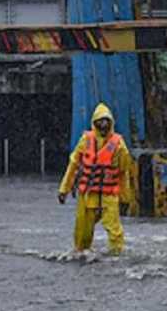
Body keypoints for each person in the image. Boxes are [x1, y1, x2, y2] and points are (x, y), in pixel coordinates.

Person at [57, 103, 133, 256]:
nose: (103, 126)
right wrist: (64, 189)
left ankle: (116, 256)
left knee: (115, 231)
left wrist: (125, 198)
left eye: (106, 122)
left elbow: (123, 173)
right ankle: (80, 253)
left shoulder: (119, 145)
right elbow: (73, 166)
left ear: (111, 123)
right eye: (100, 122)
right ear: (95, 123)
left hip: (109, 196)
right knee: (82, 232)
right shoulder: (85, 140)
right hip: (87, 195)